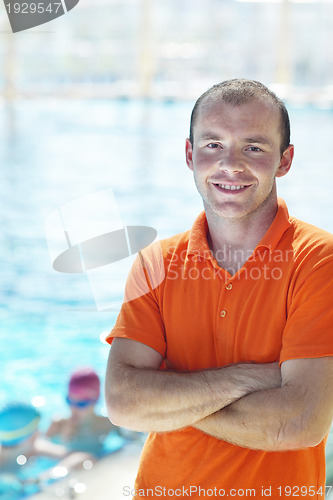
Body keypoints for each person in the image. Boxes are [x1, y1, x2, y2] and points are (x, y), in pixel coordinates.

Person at [104, 79, 333, 499]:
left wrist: (172, 400)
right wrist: (249, 379)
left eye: (254, 147)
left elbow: (298, 422)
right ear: (190, 155)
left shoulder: (319, 260)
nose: (230, 164)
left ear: (284, 161)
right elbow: (122, 403)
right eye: (212, 145)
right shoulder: (155, 263)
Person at [0, 401, 92, 495]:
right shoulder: (34, 447)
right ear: (28, 437)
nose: (39, 432)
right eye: (36, 428)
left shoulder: (35, 447)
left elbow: (82, 457)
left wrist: (47, 476)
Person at [46, 367, 126, 456]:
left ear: (95, 401)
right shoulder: (59, 424)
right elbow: (37, 445)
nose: (74, 408)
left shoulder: (108, 424)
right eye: (69, 401)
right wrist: (64, 440)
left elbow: (130, 443)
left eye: (81, 404)